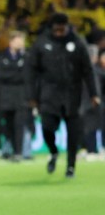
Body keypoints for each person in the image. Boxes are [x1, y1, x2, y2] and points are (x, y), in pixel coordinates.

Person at [27, 13, 100, 179]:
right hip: (49, 94)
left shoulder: (77, 42)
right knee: (47, 127)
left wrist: (94, 93)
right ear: (52, 28)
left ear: (67, 27)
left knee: (74, 132)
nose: (60, 33)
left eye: (62, 30)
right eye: (57, 30)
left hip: (73, 94)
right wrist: (32, 95)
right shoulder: (42, 43)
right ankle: (53, 151)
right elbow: (32, 71)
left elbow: (88, 70)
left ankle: (71, 166)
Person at [0, 31, 29, 161]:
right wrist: (16, 73)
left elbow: (26, 76)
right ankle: (9, 150)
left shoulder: (26, 57)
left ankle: (18, 152)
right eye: (18, 40)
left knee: (19, 125)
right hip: (5, 98)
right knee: (7, 126)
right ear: (11, 41)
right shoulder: (2, 57)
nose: (21, 43)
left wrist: (10, 75)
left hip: (20, 97)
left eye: (22, 41)